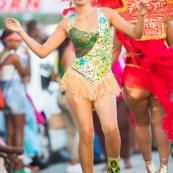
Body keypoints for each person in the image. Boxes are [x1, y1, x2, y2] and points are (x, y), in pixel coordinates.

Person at [5, 0, 149, 172]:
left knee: (111, 130)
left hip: (103, 80)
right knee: (86, 134)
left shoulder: (107, 14)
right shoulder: (67, 23)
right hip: (77, 82)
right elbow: (43, 51)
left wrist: (141, 16)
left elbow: (136, 33)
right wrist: (21, 31)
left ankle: (113, 168)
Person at [108, 1, 173, 172]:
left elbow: (115, 51)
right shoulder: (165, 21)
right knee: (160, 123)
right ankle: (164, 167)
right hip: (159, 76)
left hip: (134, 77)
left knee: (141, 123)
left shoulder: (122, 20)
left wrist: (99, 76)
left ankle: (149, 166)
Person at [0, 29, 29, 173]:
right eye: (15, 40)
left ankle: (10, 164)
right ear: (7, 41)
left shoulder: (1, 56)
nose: (18, 43)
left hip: (4, 98)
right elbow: (26, 73)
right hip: (16, 97)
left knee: (9, 132)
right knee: (19, 131)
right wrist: (28, 57)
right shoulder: (14, 57)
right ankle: (19, 165)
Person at [57, 37, 82, 173]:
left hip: (60, 94)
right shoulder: (71, 52)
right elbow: (69, 75)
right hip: (69, 93)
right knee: (79, 129)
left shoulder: (62, 52)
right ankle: (74, 161)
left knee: (71, 131)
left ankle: (72, 162)